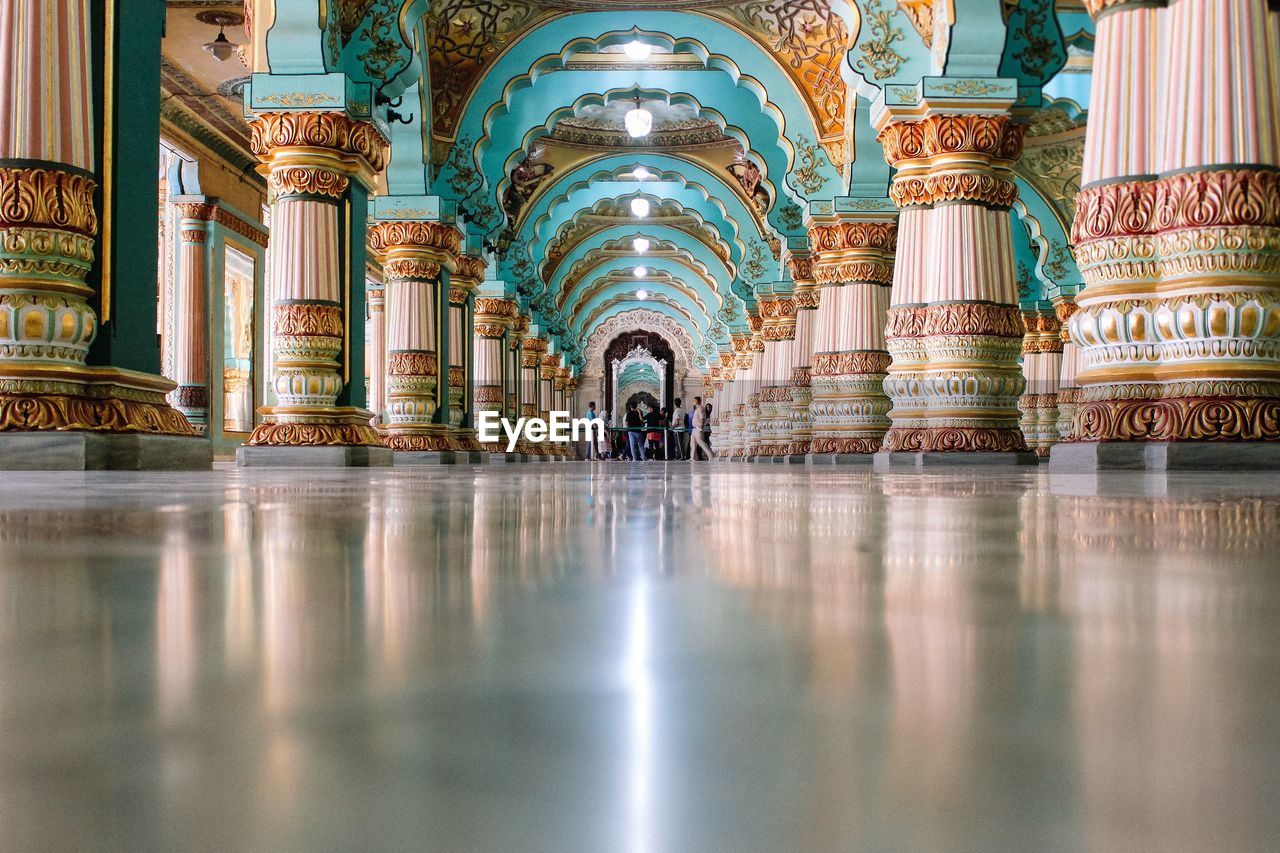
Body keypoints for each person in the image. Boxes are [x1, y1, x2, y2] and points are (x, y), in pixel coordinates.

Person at [690, 396, 714, 460]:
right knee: (693, 443)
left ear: (697, 401)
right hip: (694, 429)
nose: (693, 402)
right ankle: (693, 457)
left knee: (701, 443)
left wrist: (701, 426)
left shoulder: (700, 409)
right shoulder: (696, 409)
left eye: (694, 401)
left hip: (698, 428)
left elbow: (702, 418)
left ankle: (710, 455)